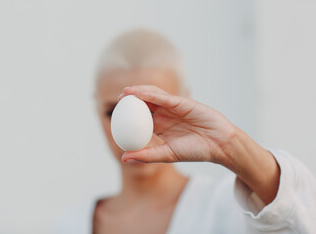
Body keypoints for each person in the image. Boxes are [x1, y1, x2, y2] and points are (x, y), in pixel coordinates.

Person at [54, 29, 316, 233]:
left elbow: (299, 219)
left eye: (153, 110)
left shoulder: (227, 207)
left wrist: (230, 145)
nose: (139, 135)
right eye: (113, 112)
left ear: (184, 101)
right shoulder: (72, 225)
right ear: (96, 109)